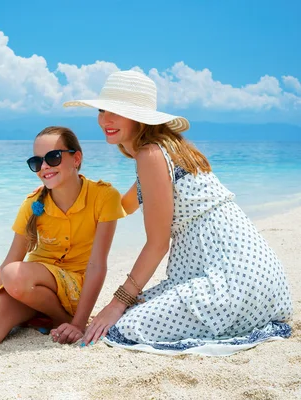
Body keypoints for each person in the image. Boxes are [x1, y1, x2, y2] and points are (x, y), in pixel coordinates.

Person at [53, 70, 293, 355]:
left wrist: (117, 301)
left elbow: (157, 245)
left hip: (232, 283)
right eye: (103, 110)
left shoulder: (151, 155)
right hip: (262, 280)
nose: (105, 120)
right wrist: (69, 196)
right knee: (135, 307)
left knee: (123, 327)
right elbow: (122, 206)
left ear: (139, 117)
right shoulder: (164, 149)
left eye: (117, 112)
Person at [0, 126, 126, 346]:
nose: (44, 166)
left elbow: (97, 265)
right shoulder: (33, 203)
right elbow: (10, 260)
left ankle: (63, 320)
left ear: (76, 158)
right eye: (37, 162)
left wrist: (79, 323)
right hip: (29, 287)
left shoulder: (104, 196)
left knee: (14, 275)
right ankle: (38, 314)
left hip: (73, 290)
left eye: (53, 157)